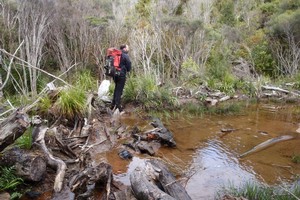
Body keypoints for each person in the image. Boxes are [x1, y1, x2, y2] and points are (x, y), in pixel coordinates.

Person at [111, 44, 131, 111]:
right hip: (121, 75)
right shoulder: (125, 55)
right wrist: (126, 69)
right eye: (127, 48)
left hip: (114, 75)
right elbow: (129, 66)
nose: (128, 49)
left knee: (116, 88)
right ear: (124, 48)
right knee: (119, 90)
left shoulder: (116, 55)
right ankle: (118, 106)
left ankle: (113, 104)